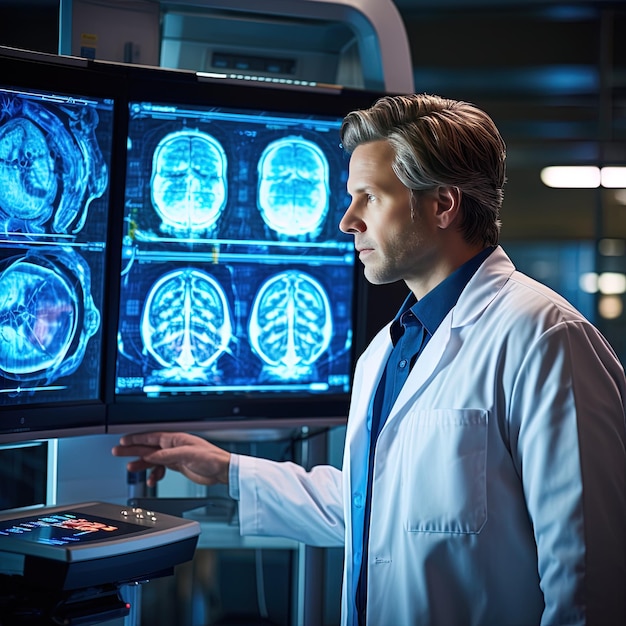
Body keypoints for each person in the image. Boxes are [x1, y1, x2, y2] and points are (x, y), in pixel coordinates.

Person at [112, 93, 626, 625]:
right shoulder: (388, 350)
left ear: (443, 205)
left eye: (368, 197)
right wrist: (228, 470)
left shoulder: (545, 338)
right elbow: (375, 508)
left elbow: (588, 584)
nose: (346, 221)